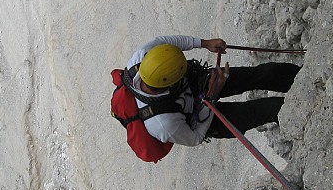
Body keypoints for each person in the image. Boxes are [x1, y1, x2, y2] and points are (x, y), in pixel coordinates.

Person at [124, 35, 300, 146]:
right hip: (202, 120)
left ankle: (303, 77)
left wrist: (204, 43)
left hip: (198, 84)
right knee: (272, 108)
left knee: (266, 73)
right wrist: (211, 96)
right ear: (173, 83)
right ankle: (303, 114)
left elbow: (166, 42)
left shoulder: (143, 55)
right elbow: (195, 138)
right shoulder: (163, 124)